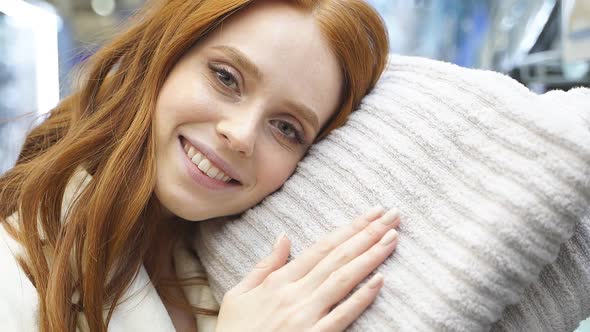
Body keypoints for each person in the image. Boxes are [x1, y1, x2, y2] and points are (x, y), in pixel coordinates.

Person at [0, 0, 395, 331]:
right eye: (226, 77)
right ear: (163, 56)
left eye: (287, 128)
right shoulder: (10, 266)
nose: (240, 135)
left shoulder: (221, 270)